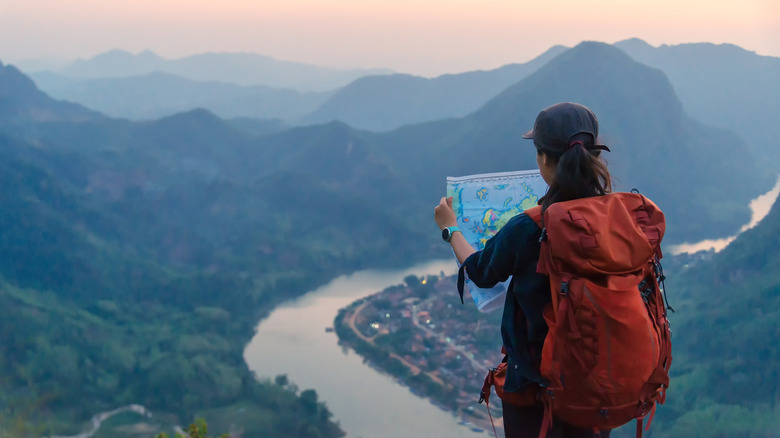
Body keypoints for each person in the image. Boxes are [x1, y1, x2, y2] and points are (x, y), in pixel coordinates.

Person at [434, 102, 613, 438]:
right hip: (598, 385)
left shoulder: (530, 227)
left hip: (534, 387)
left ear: (543, 159)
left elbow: (480, 271)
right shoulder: (615, 218)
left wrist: (450, 229)